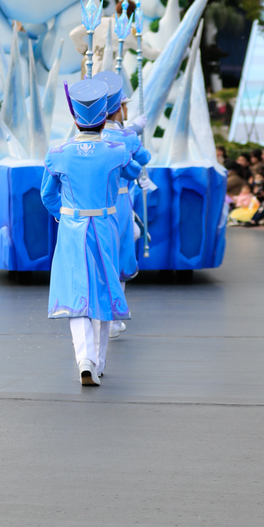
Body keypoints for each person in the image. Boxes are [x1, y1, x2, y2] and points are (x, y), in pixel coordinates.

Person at [41, 79, 142, 386]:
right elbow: (135, 172)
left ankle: (84, 358)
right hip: (105, 227)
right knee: (104, 291)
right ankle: (97, 362)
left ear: (75, 119)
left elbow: (47, 196)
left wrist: (65, 214)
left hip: (72, 228)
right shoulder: (116, 151)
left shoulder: (57, 153)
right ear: (104, 117)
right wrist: (131, 138)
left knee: (77, 291)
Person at [95, 70, 151, 341]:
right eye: (124, 104)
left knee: (101, 258)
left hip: (92, 204)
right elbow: (143, 158)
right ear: (117, 108)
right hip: (118, 202)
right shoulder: (126, 138)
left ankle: (99, 314)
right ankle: (114, 317)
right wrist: (135, 133)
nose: (127, 108)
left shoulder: (89, 136)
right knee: (121, 258)